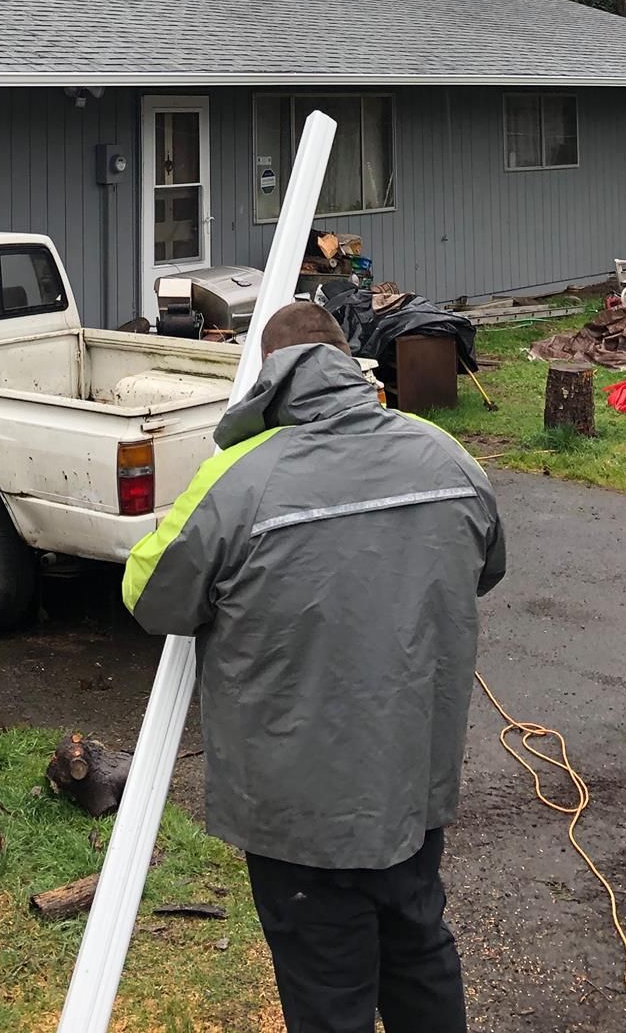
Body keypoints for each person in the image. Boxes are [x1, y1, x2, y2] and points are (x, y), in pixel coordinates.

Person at [123, 299, 505, 1033]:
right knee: (419, 945)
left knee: (328, 989)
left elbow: (150, 595)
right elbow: (486, 566)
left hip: (299, 810)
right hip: (410, 781)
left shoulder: (237, 477)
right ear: (351, 363)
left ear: (269, 382)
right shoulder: (446, 455)